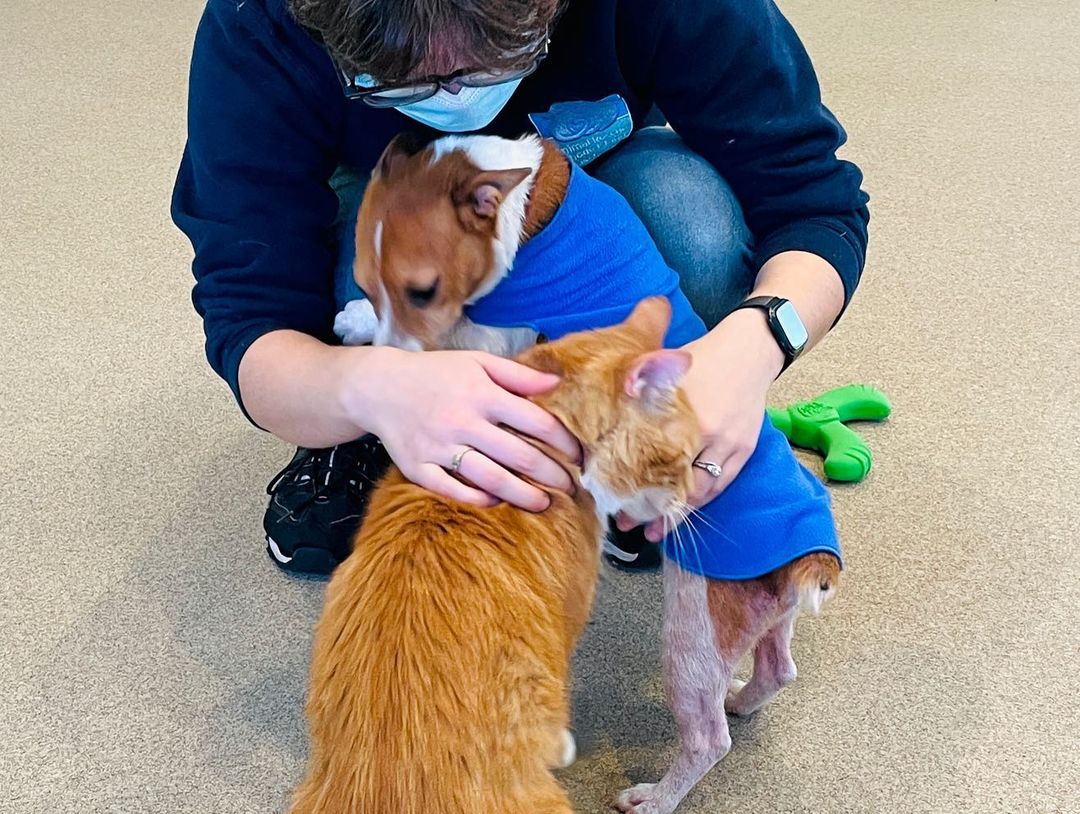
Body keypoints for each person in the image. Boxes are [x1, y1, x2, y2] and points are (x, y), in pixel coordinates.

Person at [171, 0, 869, 575]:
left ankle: (615, 422)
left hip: (586, 179)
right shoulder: (257, 22)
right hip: (383, 187)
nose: (457, 97)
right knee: (370, 263)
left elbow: (813, 203)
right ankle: (362, 434)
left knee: (695, 228)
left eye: (496, 58)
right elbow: (251, 317)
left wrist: (753, 345)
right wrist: (364, 385)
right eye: (398, 81)